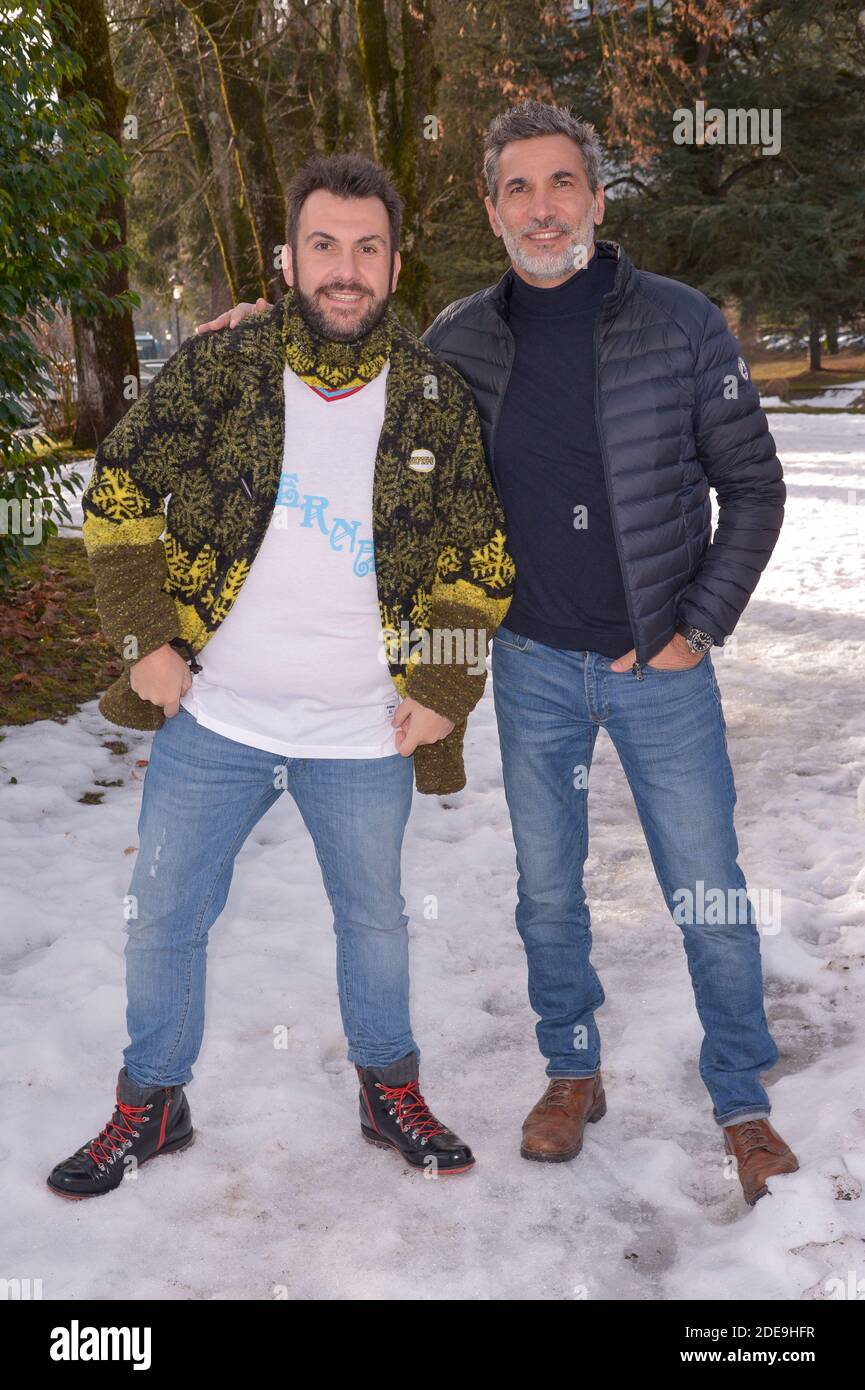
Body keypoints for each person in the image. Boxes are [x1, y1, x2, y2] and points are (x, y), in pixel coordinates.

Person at [196, 102, 797, 1207]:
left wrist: (693, 624)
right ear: (489, 209)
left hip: (658, 670)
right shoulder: (464, 339)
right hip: (531, 667)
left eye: (559, 182)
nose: (540, 206)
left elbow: (753, 485)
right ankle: (571, 1072)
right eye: (515, 188)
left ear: (596, 198)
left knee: (705, 883)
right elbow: (358, 392)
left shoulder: (676, 325)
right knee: (548, 891)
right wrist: (257, 333)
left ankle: (740, 1100)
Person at [46, 153, 514, 1200]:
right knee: (163, 910)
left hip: (362, 731)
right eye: (323, 246)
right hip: (219, 717)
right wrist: (144, 641)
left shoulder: (436, 398)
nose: (343, 269)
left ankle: (386, 1085)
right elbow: (118, 484)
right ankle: (153, 1100)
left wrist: (440, 690)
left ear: (394, 263)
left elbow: (475, 562)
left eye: (365, 247)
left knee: (378, 921)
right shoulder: (225, 365)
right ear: (288, 257)